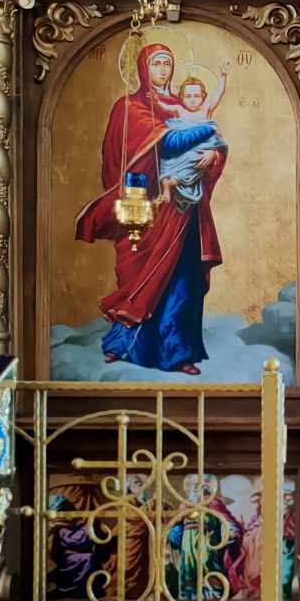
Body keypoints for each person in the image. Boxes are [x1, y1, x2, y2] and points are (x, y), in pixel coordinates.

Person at [74, 42, 228, 375]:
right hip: (145, 208)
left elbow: (211, 146)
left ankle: (177, 352)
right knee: (140, 276)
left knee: (183, 278)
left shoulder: (182, 104)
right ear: (143, 68)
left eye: (167, 63)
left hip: (184, 209)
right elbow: (162, 144)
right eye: (156, 63)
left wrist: (214, 155)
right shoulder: (129, 107)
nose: (163, 70)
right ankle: (122, 345)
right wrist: (205, 130)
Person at [157, 67, 229, 209]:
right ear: (181, 98)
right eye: (188, 96)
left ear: (203, 97)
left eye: (196, 96)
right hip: (178, 150)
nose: (192, 100)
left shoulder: (206, 111)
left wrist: (224, 76)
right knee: (166, 163)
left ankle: (180, 178)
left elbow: (218, 94)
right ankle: (166, 189)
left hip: (199, 150)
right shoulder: (179, 110)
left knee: (193, 158)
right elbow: (164, 107)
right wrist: (155, 101)